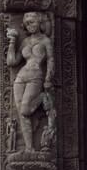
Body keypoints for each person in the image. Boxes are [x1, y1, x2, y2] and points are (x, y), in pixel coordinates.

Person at [6, 12, 54, 152]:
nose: (30, 26)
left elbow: (51, 60)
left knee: (25, 110)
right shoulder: (25, 42)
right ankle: (29, 147)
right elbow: (12, 61)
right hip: (21, 76)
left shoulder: (45, 41)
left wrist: (48, 79)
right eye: (27, 24)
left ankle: (43, 97)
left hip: (36, 74)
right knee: (22, 114)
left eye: (32, 22)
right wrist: (12, 41)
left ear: (40, 22)